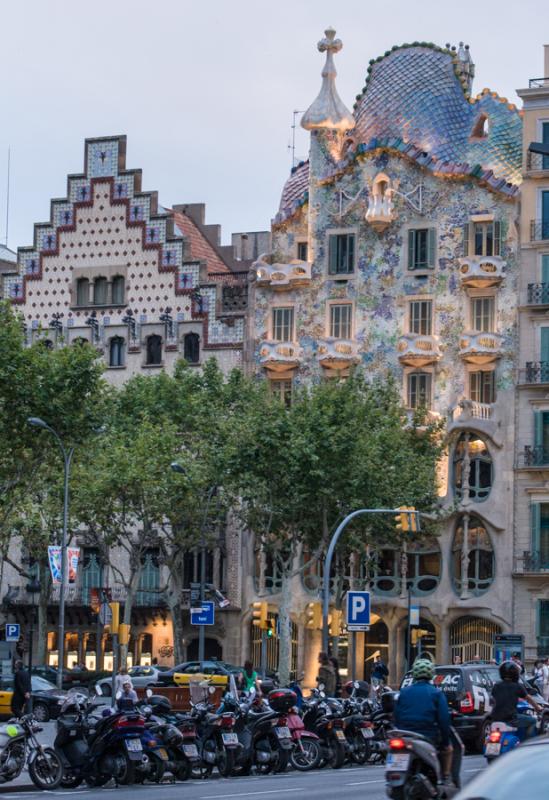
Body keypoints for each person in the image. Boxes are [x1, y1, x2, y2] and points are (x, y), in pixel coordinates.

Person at [394, 659, 453, 785]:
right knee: (449, 750)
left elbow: (397, 715)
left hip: (405, 736)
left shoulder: (404, 692)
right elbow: (443, 719)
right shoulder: (436, 693)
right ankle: (444, 778)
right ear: (431, 674)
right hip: (427, 736)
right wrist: (445, 742)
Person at [490, 660, 540, 740]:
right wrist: (538, 708)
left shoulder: (496, 685)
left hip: (495, 718)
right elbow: (529, 698)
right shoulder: (517, 686)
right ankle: (527, 745)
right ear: (515, 673)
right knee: (532, 721)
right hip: (511, 719)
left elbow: (492, 700)